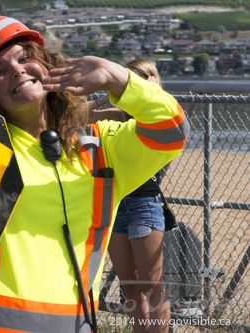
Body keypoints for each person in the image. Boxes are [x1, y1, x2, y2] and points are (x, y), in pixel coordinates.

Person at [0, 15, 189, 332]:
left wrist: (120, 79)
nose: (17, 70)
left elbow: (172, 130)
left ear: (47, 64)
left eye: (24, 57)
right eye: (0, 71)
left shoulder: (102, 146)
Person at [90, 59, 171, 332]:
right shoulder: (121, 115)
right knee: (130, 287)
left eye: (141, 79)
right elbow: (85, 118)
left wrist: (149, 92)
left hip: (144, 204)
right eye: (131, 79)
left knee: (151, 285)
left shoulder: (160, 118)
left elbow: (149, 118)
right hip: (115, 202)